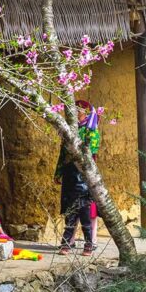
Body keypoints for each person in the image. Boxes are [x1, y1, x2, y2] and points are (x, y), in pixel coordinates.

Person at [54, 100, 101, 256]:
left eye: (78, 112)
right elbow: (62, 153)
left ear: (85, 113)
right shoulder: (69, 131)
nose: (75, 114)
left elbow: (91, 149)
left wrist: (77, 157)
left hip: (84, 173)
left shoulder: (91, 130)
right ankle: (68, 242)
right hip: (69, 173)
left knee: (86, 211)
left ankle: (89, 243)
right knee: (70, 210)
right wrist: (58, 172)